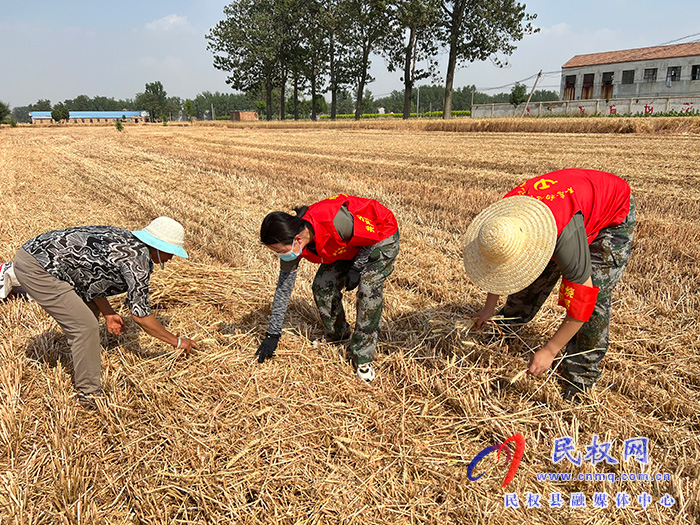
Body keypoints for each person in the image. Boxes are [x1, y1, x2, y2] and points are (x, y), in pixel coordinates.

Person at [464, 169, 635, 401]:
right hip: (568, 208)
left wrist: (549, 350)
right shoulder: (506, 220)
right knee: (529, 276)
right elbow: (501, 263)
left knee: (596, 296)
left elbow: (583, 303)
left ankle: (580, 375)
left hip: (610, 210)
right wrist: (489, 308)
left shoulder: (564, 237)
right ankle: (507, 326)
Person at [12, 217, 199, 406]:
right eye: (171, 252)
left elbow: (88, 277)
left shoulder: (125, 239)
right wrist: (177, 342)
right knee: (84, 326)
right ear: (159, 247)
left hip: (33, 253)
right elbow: (141, 315)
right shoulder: (137, 261)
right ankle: (89, 393)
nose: (173, 257)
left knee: (89, 310)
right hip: (37, 268)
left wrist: (108, 313)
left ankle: (80, 357)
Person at [256, 194, 400, 382]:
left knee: (367, 290)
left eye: (280, 251)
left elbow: (369, 238)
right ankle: (336, 334)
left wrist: (357, 268)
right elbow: (284, 288)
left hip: (380, 236)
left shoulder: (333, 220)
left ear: (297, 239)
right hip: (346, 244)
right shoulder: (295, 244)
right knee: (323, 285)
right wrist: (273, 334)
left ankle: (363, 357)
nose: (280, 256)